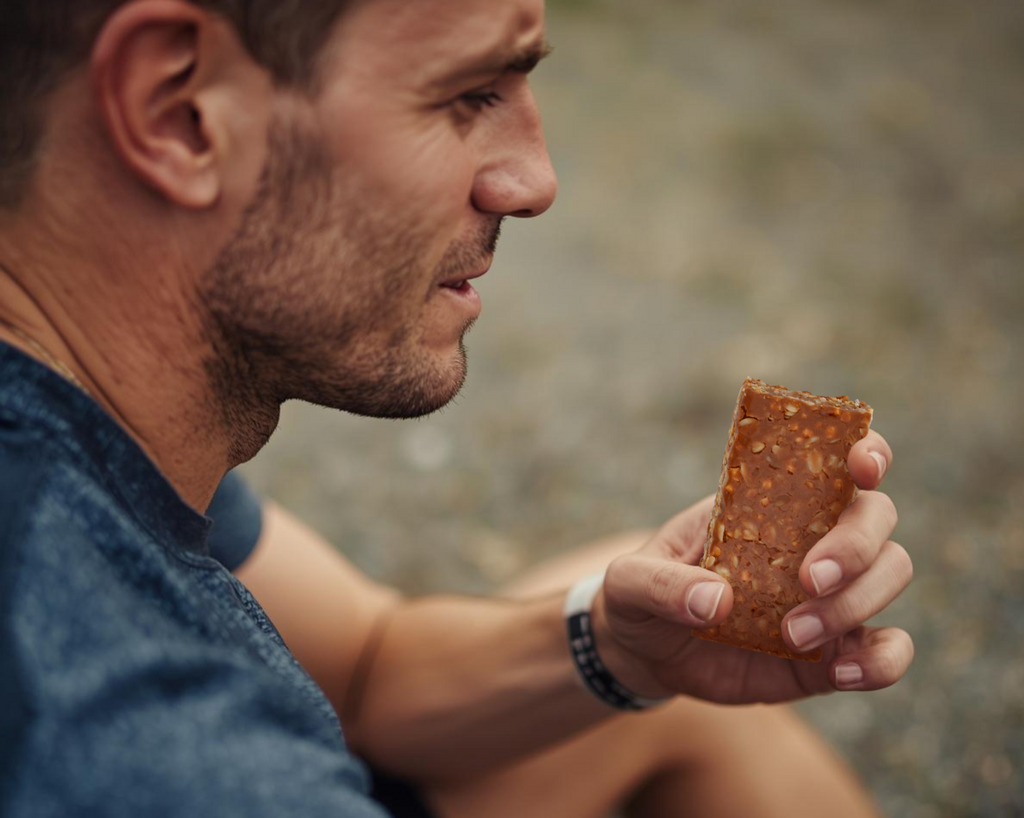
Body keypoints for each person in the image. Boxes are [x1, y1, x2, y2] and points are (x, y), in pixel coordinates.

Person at [0, 0, 913, 816]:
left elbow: (362, 666)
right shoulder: (146, 748)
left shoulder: (71, 404)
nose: (534, 181)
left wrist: (620, 652)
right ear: (180, 112)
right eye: (470, 93)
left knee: (651, 614)